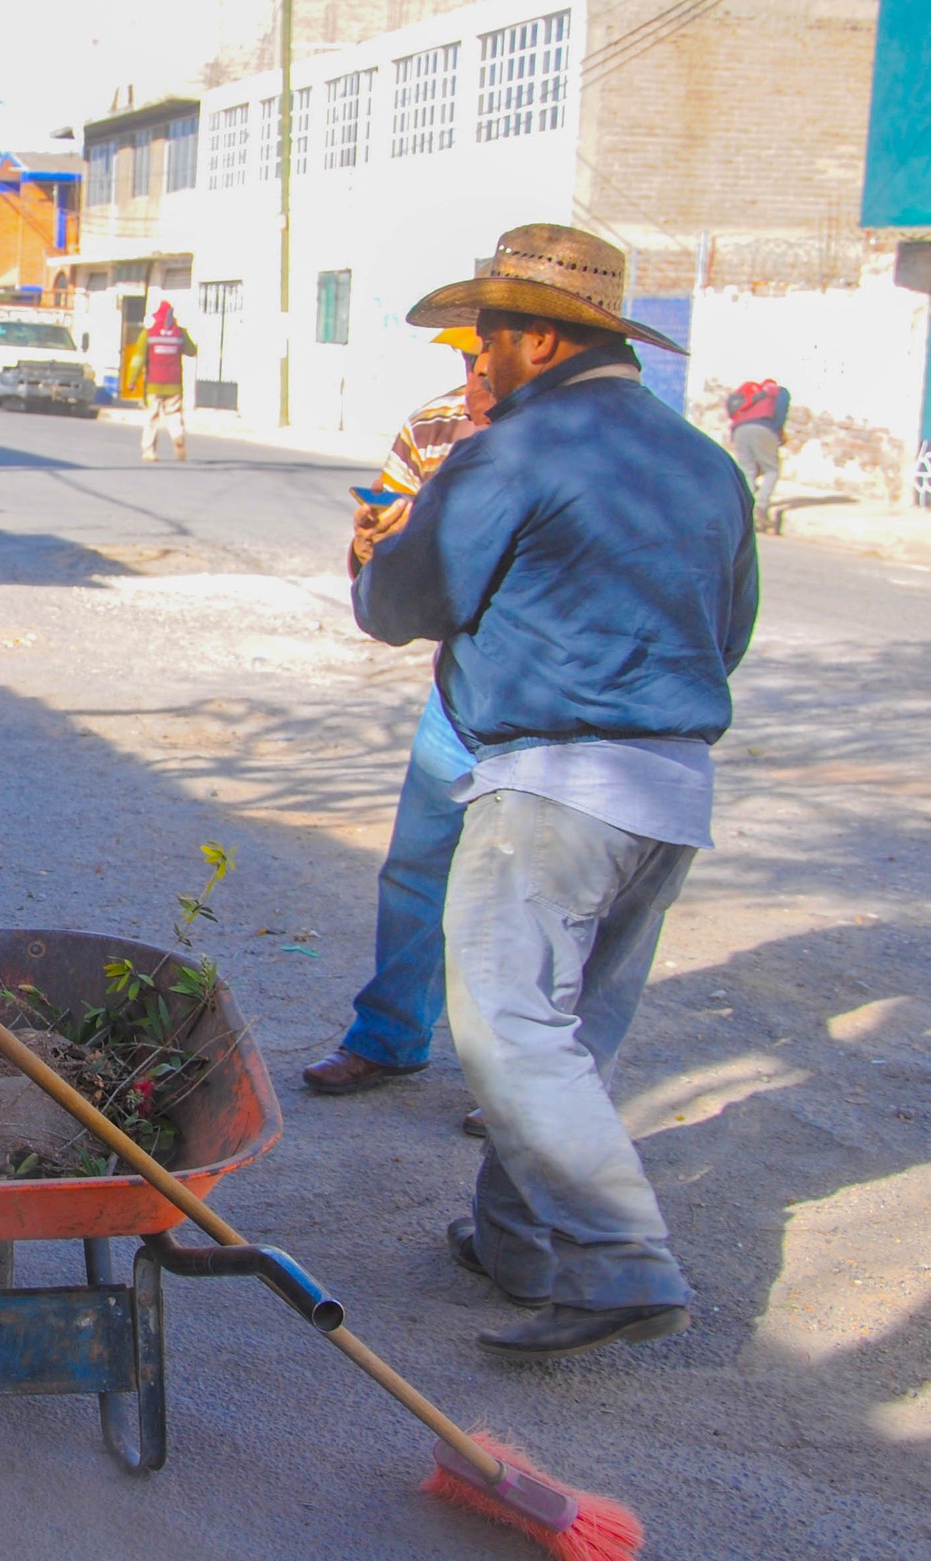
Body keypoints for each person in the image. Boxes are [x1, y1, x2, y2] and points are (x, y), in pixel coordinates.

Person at [354, 224, 758, 1361]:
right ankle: (517, 1244)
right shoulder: (706, 463)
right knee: (569, 1028)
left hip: (551, 783)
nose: (472, 363)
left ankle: (621, 1259)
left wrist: (383, 552)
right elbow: (724, 634)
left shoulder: (511, 452)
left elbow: (402, 602)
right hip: (671, 787)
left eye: (484, 338)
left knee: (506, 1030)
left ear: (536, 338)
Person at [303, 328, 494, 1099]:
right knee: (417, 866)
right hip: (464, 687)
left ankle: (521, 1088)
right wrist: (372, 542)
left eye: (488, 360)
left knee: (526, 892)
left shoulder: (566, 439)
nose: (476, 379)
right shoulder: (435, 426)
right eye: (469, 361)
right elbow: (377, 554)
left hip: (551, 700)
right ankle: (391, 1034)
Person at [134, 301, 196, 462]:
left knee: (152, 418)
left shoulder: (148, 334)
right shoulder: (179, 333)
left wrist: (131, 380)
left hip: (154, 384)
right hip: (174, 384)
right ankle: (177, 435)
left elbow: (138, 360)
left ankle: (149, 452)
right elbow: (191, 351)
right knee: (174, 414)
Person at [726, 378, 790, 525]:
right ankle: (761, 507)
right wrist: (777, 429)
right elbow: (781, 412)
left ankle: (743, 508)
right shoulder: (779, 392)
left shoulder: (754, 394)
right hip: (764, 428)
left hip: (740, 430)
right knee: (771, 470)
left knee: (747, 470)